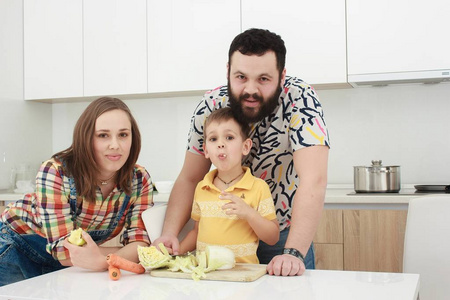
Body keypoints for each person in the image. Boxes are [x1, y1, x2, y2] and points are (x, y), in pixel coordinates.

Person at [154, 28, 330, 276]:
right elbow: (191, 177)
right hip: (220, 241)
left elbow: (314, 179)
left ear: (281, 77)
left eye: (264, 79)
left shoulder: (301, 99)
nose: (250, 89)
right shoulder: (211, 105)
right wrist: (170, 233)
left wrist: (292, 253)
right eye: (241, 77)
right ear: (228, 72)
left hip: (280, 236)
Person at [0, 96, 153, 286]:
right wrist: (109, 257)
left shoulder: (139, 179)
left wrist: (100, 260)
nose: (115, 145)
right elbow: (64, 253)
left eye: (123, 134)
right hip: (15, 248)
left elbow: (141, 246)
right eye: (103, 135)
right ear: (86, 138)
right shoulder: (56, 171)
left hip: (73, 266)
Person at [178, 107, 279, 263]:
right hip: (207, 275)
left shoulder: (258, 187)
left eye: (229, 137)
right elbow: (197, 231)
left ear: (245, 146)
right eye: (213, 139)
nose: (221, 144)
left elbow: (273, 237)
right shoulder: (202, 188)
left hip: (244, 276)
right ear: (206, 150)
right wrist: (174, 255)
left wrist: (249, 214)